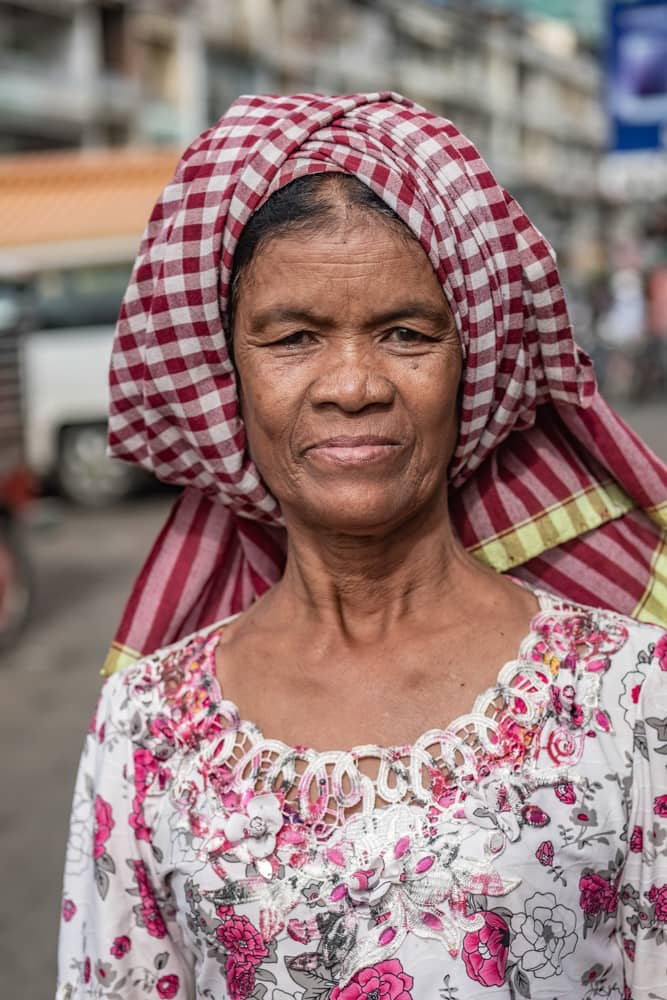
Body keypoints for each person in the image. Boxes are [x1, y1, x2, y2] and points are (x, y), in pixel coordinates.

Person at [57, 93, 667, 1000]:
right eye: (293, 337)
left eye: (405, 334)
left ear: (474, 362)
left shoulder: (629, 695)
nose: (352, 384)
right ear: (231, 375)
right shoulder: (146, 727)